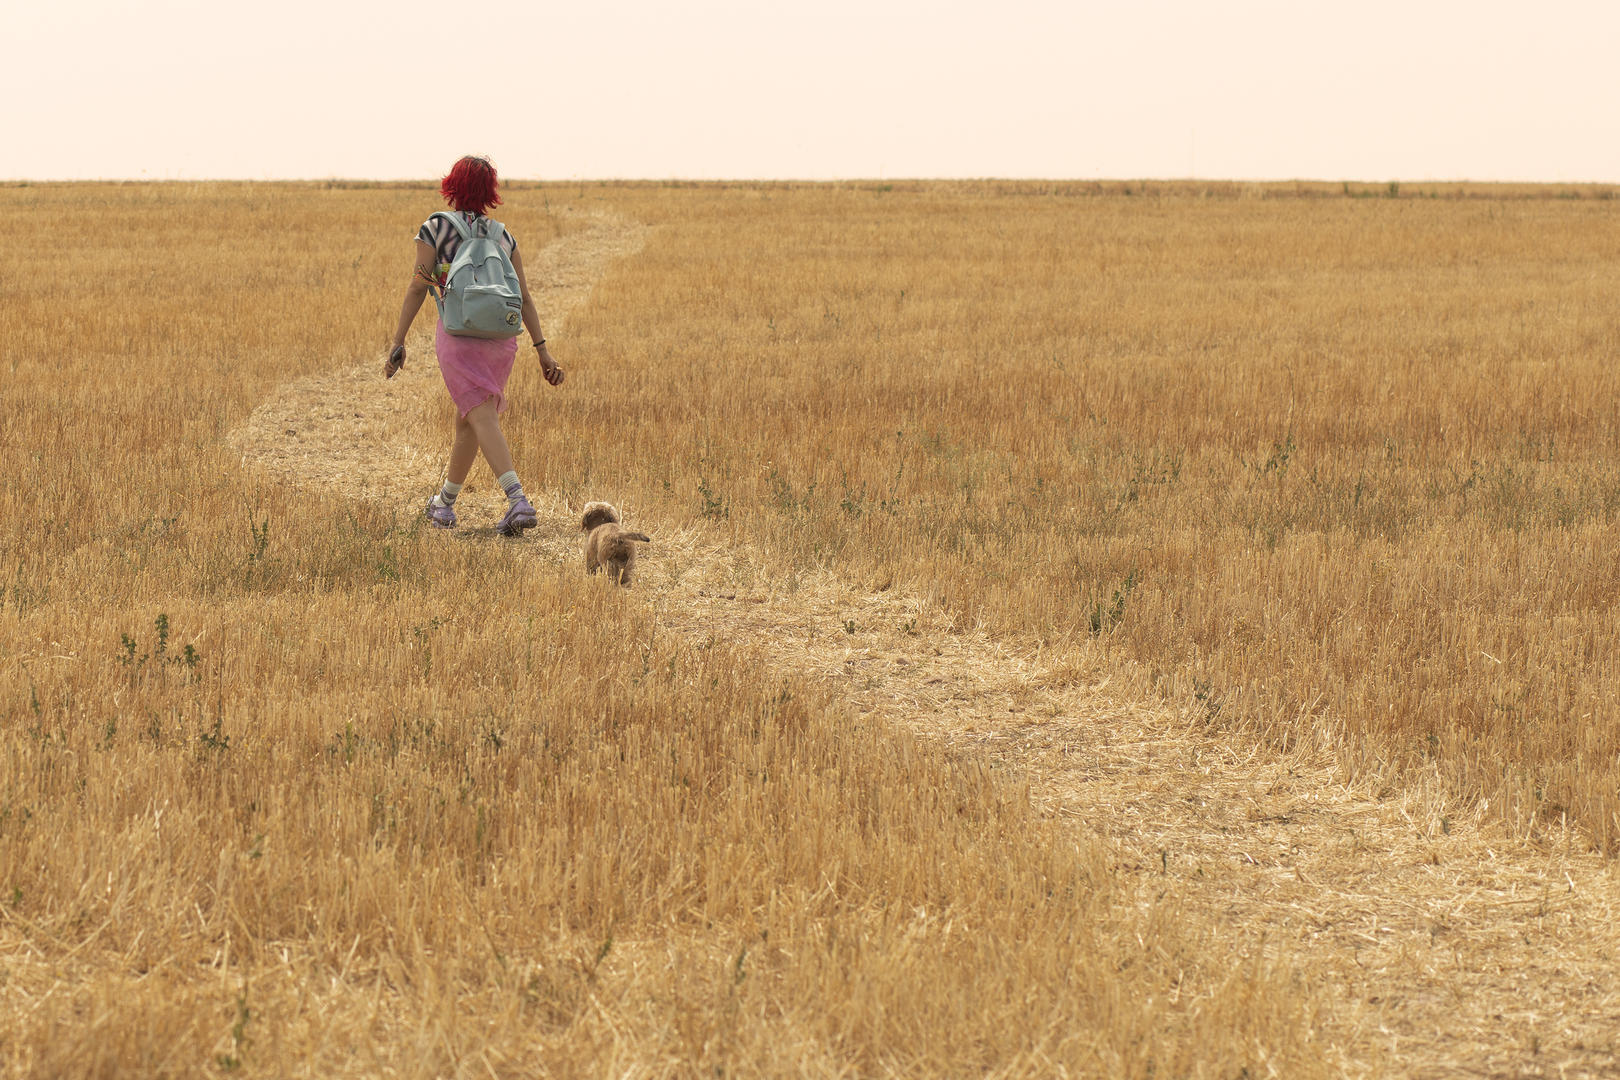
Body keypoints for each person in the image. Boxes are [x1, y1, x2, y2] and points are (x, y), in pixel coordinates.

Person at [386, 155, 564, 535]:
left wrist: (399, 340)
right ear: (489, 192)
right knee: (468, 418)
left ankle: (518, 500)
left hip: (458, 338)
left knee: (480, 415)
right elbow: (524, 298)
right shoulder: (503, 235)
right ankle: (444, 505)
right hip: (502, 341)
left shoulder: (436, 228)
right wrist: (542, 350)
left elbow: (418, 285)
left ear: (452, 186)